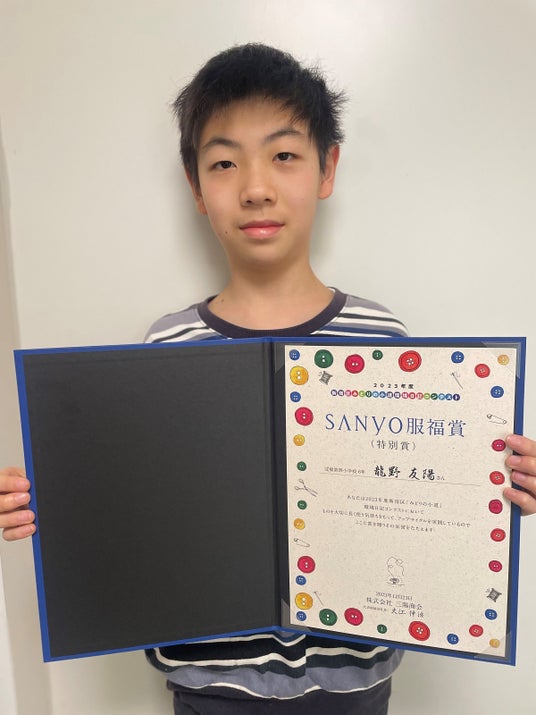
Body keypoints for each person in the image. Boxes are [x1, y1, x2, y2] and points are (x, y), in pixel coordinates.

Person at [1, 43, 536, 715]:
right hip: (208, 692)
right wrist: (53, 501)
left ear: (327, 168)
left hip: (354, 690)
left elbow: (429, 508)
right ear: (195, 186)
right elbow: (136, 511)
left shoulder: (386, 343)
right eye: (224, 163)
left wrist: (496, 485)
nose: (255, 187)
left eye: (284, 155)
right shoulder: (166, 348)